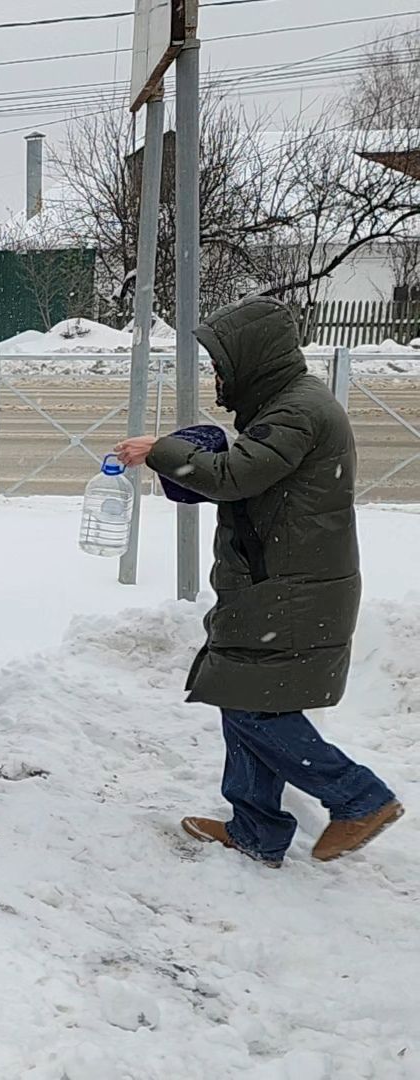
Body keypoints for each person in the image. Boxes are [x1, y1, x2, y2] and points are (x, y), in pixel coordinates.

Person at [115, 296, 402, 867]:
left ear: (251, 360)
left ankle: (359, 798)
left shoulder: (297, 412)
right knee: (239, 695)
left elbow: (234, 476)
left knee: (253, 706)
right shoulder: (287, 405)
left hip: (290, 592)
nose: (217, 377)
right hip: (276, 585)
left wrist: (161, 451)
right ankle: (256, 828)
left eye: (221, 365)